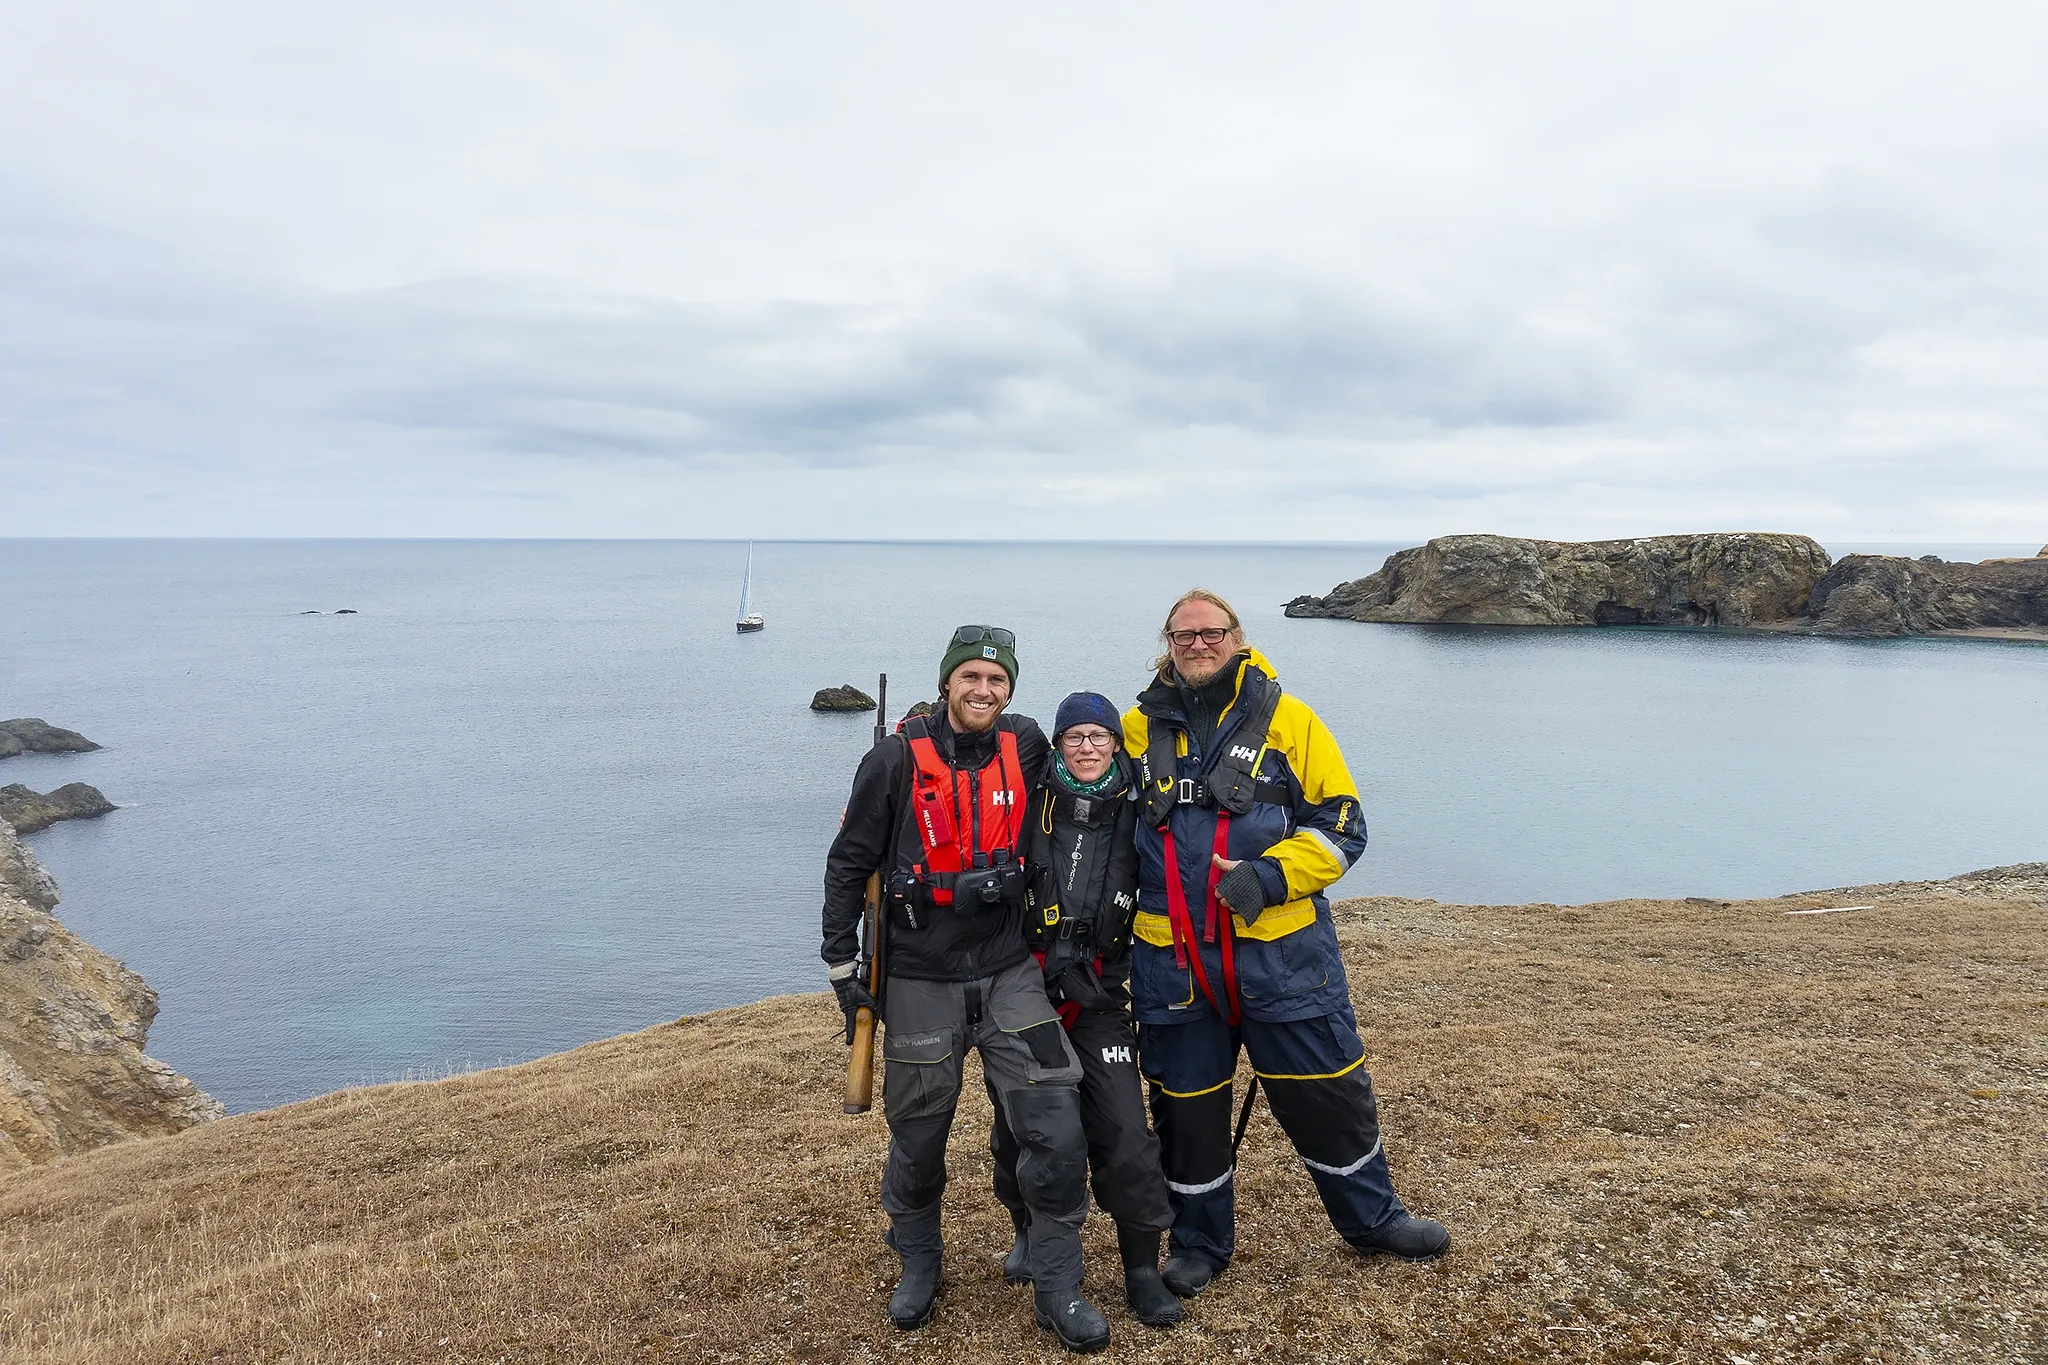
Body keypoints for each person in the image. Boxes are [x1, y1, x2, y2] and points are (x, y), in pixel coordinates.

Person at [1122, 589, 1450, 1297]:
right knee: (1185, 1112)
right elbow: (1091, 816)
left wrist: (1267, 878)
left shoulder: (1293, 721)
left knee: (1329, 1095)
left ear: (1238, 637)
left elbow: (1343, 826)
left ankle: (1374, 1220)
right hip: (1174, 964)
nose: (1197, 645)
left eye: (1211, 633)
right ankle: (1199, 1243)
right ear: (1167, 644)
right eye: (1183, 635)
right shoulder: (1134, 729)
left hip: (1283, 959)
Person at [822, 627, 1112, 1352]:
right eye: (971, 677)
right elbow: (848, 862)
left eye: (996, 680)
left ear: (1010, 689)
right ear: (947, 682)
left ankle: (1057, 1284)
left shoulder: (1028, 743)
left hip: (1010, 972)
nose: (983, 690)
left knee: (1055, 1125)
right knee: (918, 1137)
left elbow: (1100, 762)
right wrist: (842, 969)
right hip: (919, 976)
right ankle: (919, 1259)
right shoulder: (892, 760)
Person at [987, 691, 1182, 1330]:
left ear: (1118, 744)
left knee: (1126, 1131)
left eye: (1100, 736)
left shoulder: (1144, 807)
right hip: (1026, 993)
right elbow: (967, 763)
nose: (1089, 746)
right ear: (1058, 743)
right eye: (1075, 736)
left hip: (1101, 997)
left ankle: (1142, 1269)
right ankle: (1026, 1229)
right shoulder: (1026, 800)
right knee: (1021, 1129)